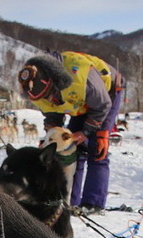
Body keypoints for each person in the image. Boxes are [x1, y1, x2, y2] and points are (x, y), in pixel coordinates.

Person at [18, 52, 124, 214]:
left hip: (106, 96)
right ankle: (69, 201)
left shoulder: (82, 78)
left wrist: (90, 131)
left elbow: (102, 105)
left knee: (97, 149)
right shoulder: (34, 88)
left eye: (49, 96)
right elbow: (52, 114)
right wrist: (50, 138)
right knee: (71, 150)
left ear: (54, 83)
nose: (47, 100)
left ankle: (93, 203)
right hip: (78, 102)